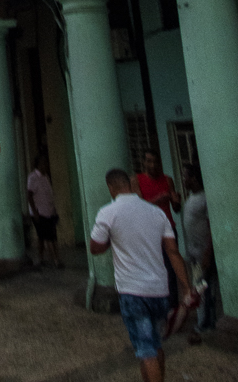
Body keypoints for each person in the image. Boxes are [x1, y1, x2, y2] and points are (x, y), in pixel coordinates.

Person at [90, 168, 192, 382]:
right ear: (130, 185)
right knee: (155, 346)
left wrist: (112, 240)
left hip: (132, 291)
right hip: (159, 290)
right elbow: (173, 252)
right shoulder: (156, 212)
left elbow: (95, 247)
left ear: (111, 187)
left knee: (146, 351)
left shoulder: (108, 212)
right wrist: (185, 287)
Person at [133, 149, 182, 305]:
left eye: (155, 161)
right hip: (148, 230)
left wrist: (176, 201)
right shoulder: (136, 180)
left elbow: (176, 209)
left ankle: (172, 305)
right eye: (149, 161)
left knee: (171, 268)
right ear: (144, 163)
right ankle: (154, 302)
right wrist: (158, 199)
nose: (152, 165)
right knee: (151, 267)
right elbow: (137, 206)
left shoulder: (168, 180)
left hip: (167, 229)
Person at [182, 164, 216, 343]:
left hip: (203, 253)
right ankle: (204, 322)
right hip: (194, 253)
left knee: (203, 288)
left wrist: (207, 253)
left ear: (194, 178)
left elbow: (212, 227)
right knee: (199, 287)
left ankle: (206, 324)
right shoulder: (191, 198)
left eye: (186, 176)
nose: (184, 179)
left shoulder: (204, 199)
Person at [27, 154, 63, 268]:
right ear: (38, 165)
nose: (45, 165)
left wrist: (53, 209)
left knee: (44, 237)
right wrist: (35, 212)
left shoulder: (46, 177)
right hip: (39, 212)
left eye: (46, 163)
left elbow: (49, 195)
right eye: (43, 163)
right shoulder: (32, 177)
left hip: (49, 211)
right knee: (48, 237)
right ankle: (56, 260)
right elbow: (29, 195)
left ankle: (41, 258)